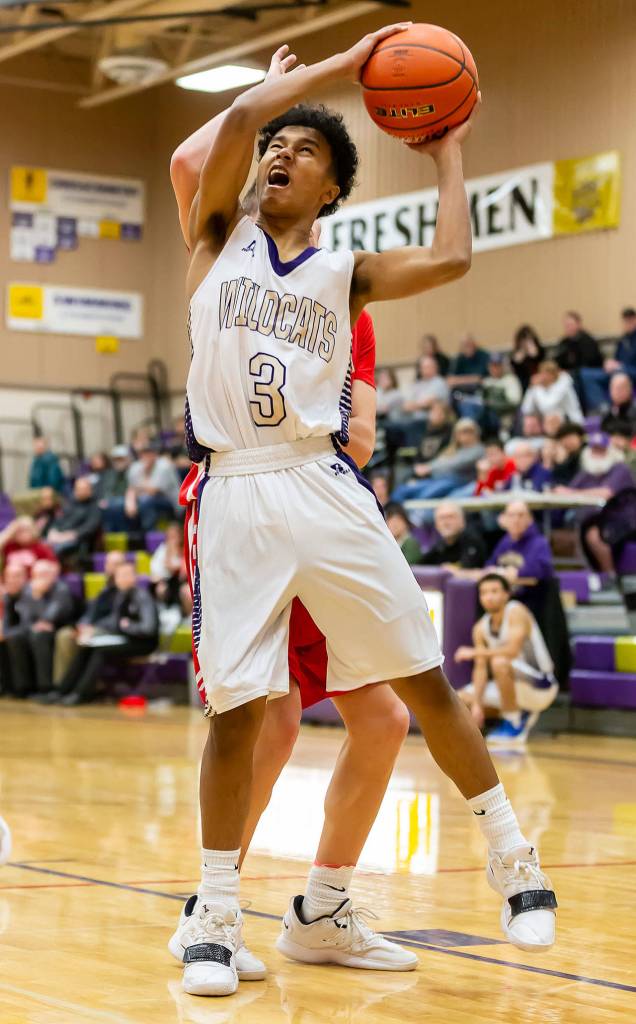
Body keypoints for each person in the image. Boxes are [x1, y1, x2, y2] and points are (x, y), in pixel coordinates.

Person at [169, 29, 554, 998]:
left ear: (335, 189)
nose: (278, 157)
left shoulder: (348, 275)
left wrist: (450, 149)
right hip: (235, 487)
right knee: (240, 711)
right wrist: (338, 66)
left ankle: (515, 862)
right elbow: (248, 121)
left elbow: (458, 257)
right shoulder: (216, 237)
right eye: (271, 150)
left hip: (322, 480)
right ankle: (214, 918)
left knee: (419, 683)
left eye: (303, 154)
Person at [455, 573, 558, 746]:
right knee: (461, 699)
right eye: (484, 592)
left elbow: (511, 651)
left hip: (541, 684)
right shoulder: (480, 627)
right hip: (511, 686)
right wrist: (478, 705)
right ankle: (520, 713)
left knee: (500, 662)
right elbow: (480, 669)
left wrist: (474, 652)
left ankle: (513, 721)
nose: (489, 597)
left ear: (506, 594)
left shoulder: (516, 611)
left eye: (494, 591)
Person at [50, 561, 159, 706]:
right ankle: (62, 690)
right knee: (87, 646)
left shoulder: (142, 596)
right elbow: (113, 621)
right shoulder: (120, 595)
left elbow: (148, 628)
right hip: (125, 638)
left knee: (100, 652)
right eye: (119, 576)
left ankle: (80, 694)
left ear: (135, 577)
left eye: (127, 575)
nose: (123, 579)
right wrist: (93, 627)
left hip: (143, 643)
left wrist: (128, 626)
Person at [554, 432, 635, 575]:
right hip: (595, 518)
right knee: (569, 532)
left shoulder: (620, 469)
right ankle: (590, 576)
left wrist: (572, 493)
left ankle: (609, 575)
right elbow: (569, 489)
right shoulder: (587, 471)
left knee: (594, 535)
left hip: (622, 518)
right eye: (594, 450)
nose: (597, 454)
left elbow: (606, 493)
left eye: (601, 450)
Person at [3, 560, 73, 698]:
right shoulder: (28, 589)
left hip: (59, 629)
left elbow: (50, 617)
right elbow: (26, 618)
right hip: (35, 629)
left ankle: (45, 687)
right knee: (15, 637)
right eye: (38, 574)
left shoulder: (61, 589)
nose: (41, 578)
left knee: (39, 636)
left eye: (45, 574)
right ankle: (22, 687)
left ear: (53, 575)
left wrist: (37, 597)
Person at [391, 419, 485, 503]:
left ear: (476, 432)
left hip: (458, 482)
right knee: (402, 490)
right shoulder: (452, 449)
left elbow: (456, 463)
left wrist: (429, 467)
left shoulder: (478, 449)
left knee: (422, 497)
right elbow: (438, 461)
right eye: (461, 431)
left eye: (468, 431)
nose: (465, 435)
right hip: (435, 479)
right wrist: (426, 467)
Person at [486, 501, 554, 596]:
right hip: (506, 597)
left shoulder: (540, 543)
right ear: (504, 519)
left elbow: (544, 569)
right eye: (511, 515)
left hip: (532, 599)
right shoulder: (504, 542)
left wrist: (518, 572)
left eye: (521, 515)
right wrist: (492, 570)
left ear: (530, 519)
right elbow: (491, 564)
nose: (516, 520)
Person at [580, 307, 636, 410]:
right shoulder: (623, 340)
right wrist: (609, 363)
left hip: (631, 371)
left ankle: (617, 408)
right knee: (586, 374)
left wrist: (621, 366)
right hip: (619, 369)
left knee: (619, 371)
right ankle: (602, 408)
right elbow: (616, 359)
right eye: (625, 321)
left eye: (630, 320)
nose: (628, 324)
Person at [46, 476, 101, 563]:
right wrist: (53, 530)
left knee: (57, 549)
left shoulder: (95, 507)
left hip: (77, 540)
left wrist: (72, 535)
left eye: (84, 489)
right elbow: (58, 519)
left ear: (90, 490)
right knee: (41, 547)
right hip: (58, 536)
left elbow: (90, 527)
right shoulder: (69, 503)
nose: (81, 491)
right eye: (78, 489)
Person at [126, 443, 181, 531]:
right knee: (120, 505)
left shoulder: (164, 465)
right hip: (147, 498)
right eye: (143, 453)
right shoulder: (136, 466)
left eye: (149, 453)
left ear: (155, 454)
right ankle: (133, 537)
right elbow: (131, 488)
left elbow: (154, 491)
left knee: (146, 501)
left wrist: (145, 472)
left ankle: (148, 534)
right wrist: (130, 503)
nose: (146, 456)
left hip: (171, 502)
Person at [420, 501, 486, 568]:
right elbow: (419, 567)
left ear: (462, 521)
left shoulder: (473, 541)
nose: (446, 522)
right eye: (441, 518)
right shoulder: (438, 546)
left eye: (451, 517)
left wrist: (448, 572)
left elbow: (477, 572)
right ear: (436, 525)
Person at [0, 563, 28, 695]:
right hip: (15, 633)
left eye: (17, 576)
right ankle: (6, 685)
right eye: (9, 576)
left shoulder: (30, 594)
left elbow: (28, 623)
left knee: (12, 639)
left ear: (26, 577)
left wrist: (6, 633)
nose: (12, 580)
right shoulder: (7, 597)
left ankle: (20, 688)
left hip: (29, 634)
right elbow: (6, 621)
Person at [510, 325, 545, 392]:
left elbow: (543, 364)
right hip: (524, 383)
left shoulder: (540, 350)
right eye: (523, 340)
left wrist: (535, 355)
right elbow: (515, 370)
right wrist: (518, 359)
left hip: (540, 379)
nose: (526, 343)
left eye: (528, 339)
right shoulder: (516, 355)